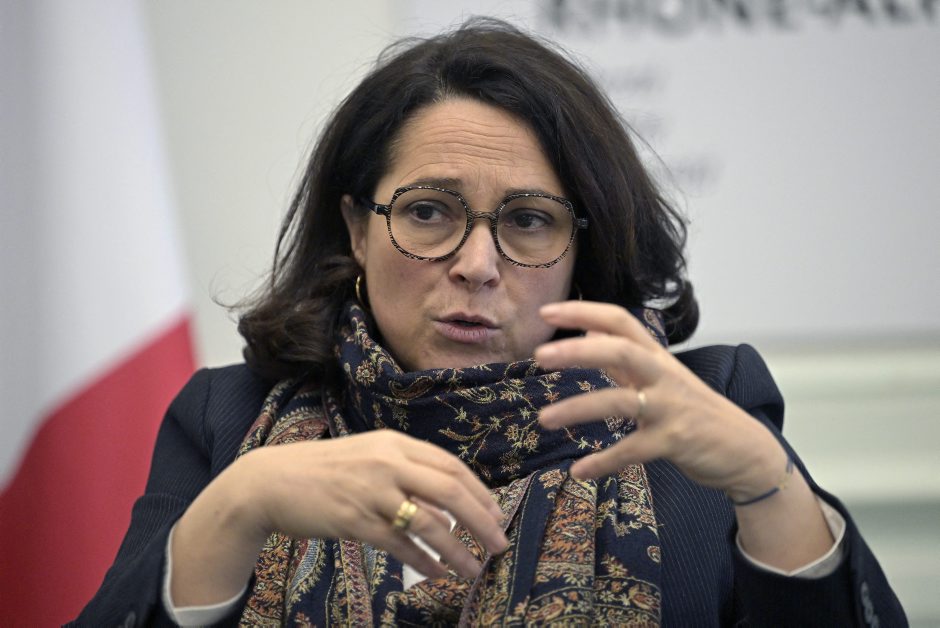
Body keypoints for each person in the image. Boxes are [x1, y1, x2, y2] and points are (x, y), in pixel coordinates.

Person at [73, 19, 905, 627]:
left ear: (583, 248)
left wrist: (767, 485)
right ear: (358, 229)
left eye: (529, 220)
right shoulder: (228, 420)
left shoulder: (700, 407)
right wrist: (239, 505)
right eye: (429, 211)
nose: (477, 263)